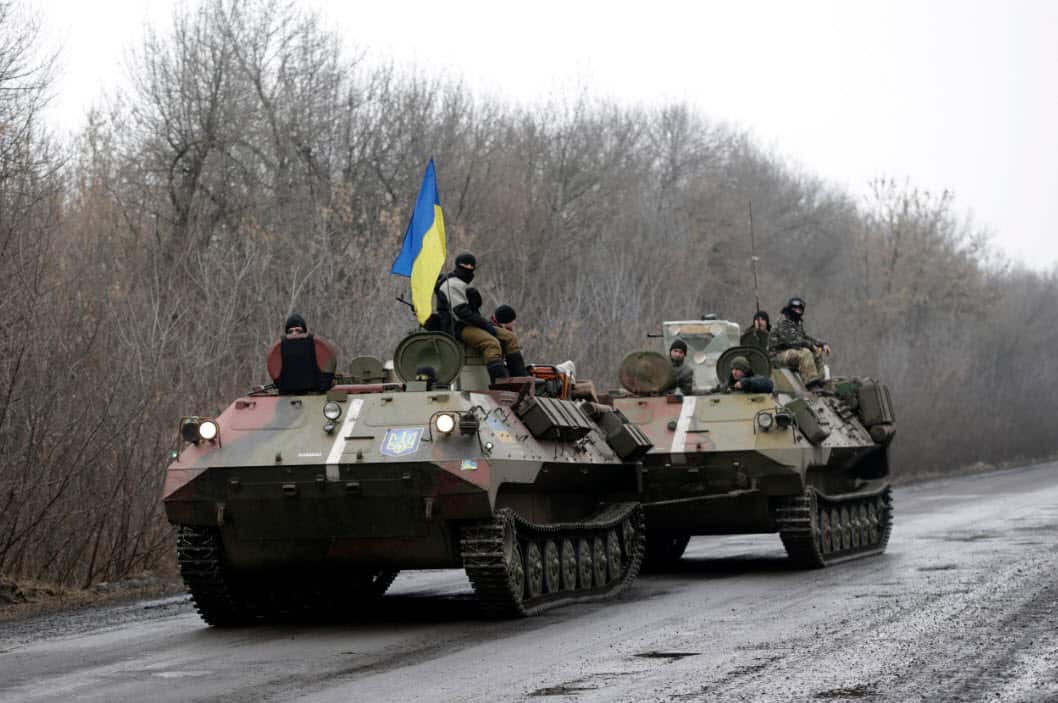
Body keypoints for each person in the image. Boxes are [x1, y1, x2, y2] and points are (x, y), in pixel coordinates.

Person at [432, 252, 527, 382]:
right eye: (466, 265)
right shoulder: (451, 284)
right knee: (491, 344)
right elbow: (461, 312)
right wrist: (486, 325)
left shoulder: (461, 283)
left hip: (470, 324)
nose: (469, 268)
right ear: (458, 266)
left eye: (472, 266)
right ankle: (502, 383)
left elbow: (471, 312)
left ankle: (521, 379)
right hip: (458, 327)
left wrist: (484, 323)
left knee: (509, 337)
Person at [768, 296, 830, 388]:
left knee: (817, 351)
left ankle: (820, 381)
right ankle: (811, 383)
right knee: (805, 353)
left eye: (800, 309)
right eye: (795, 308)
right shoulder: (783, 322)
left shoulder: (796, 322)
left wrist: (821, 344)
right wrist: (810, 345)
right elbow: (792, 341)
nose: (797, 310)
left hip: (790, 352)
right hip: (777, 355)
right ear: (790, 308)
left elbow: (804, 337)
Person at [273, 314, 336, 394]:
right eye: (290, 331)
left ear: (304, 332)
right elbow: (276, 375)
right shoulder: (280, 350)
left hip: (316, 395)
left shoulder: (315, 348)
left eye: (298, 330)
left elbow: (327, 373)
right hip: (286, 397)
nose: (294, 334)